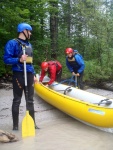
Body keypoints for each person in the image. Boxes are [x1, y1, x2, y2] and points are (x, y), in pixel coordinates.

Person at [3, 23, 39, 130]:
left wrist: (34, 74)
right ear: (24, 31)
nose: (31, 33)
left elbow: (30, 62)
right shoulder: (12, 43)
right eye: (30, 31)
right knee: (17, 100)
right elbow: (6, 59)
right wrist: (18, 59)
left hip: (29, 74)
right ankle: (15, 126)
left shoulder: (29, 45)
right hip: (18, 74)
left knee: (30, 100)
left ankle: (33, 124)